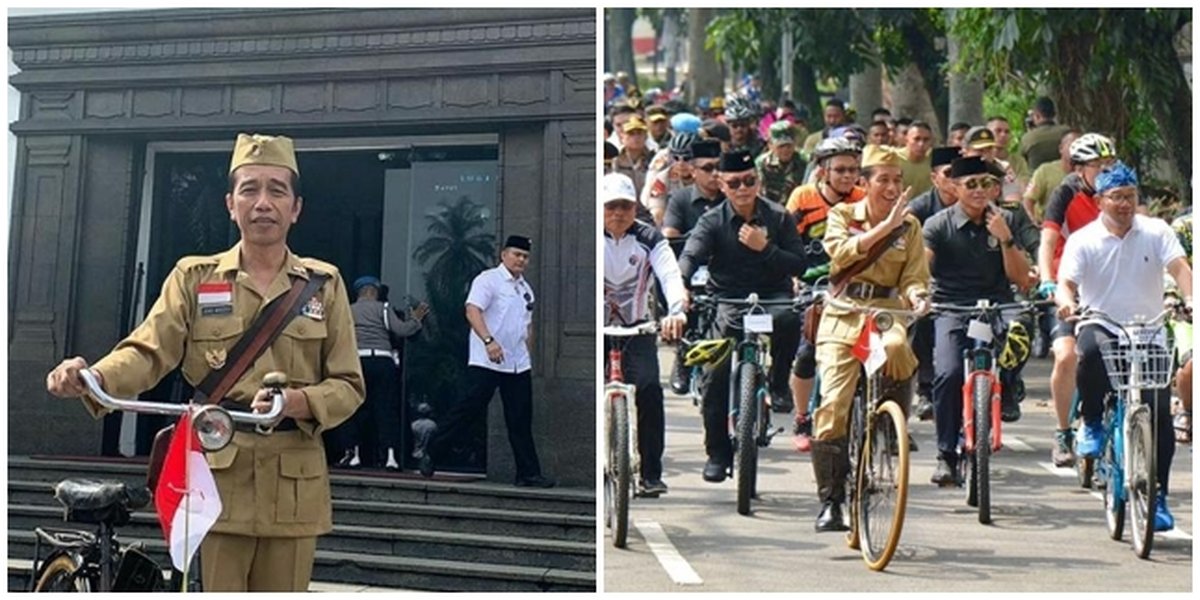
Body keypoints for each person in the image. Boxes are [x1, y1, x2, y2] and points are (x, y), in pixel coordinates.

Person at [44, 133, 365, 592]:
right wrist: (94, 376)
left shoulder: (323, 284)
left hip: (293, 485)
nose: (263, 202)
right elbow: (149, 350)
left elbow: (349, 384)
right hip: (213, 482)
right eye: (249, 189)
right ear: (230, 204)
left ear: (296, 208)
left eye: (277, 190)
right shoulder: (195, 277)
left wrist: (297, 401)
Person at [1055, 161, 1192, 531]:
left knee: (1160, 413)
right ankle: (1094, 423)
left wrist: (1192, 297)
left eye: (1130, 197)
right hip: (1103, 322)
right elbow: (1065, 283)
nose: (1124, 204)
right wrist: (1067, 300)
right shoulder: (1083, 239)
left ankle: (1158, 495)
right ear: (1100, 201)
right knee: (1092, 352)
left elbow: (1180, 268)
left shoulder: (1156, 231)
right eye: (1116, 197)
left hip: (1147, 329)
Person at [809, 144, 931, 531]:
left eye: (898, 180)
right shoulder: (843, 214)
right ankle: (832, 501)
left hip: (885, 314)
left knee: (897, 347)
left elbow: (913, 275)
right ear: (865, 183)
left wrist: (918, 296)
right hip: (844, 314)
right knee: (833, 406)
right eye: (884, 180)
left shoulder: (910, 226)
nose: (892, 187)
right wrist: (884, 227)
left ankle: (890, 424)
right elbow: (840, 254)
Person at [677, 149, 808, 483]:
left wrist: (765, 248)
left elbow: (799, 264)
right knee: (715, 376)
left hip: (773, 297)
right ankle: (717, 453)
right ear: (722, 185)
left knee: (792, 320)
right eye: (734, 183)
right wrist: (681, 286)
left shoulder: (778, 217)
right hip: (728, 301)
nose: (743, 188)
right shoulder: (712, 220)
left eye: (749, 181)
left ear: (758, 181)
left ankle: (779, 384)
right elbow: (691, 255)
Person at [923, 156, 1040, 485]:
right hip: (951, 306)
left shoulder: (1008, 219)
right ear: (955, 187)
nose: (979, 191)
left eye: (986, 183)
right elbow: (923, 268)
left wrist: (1005, 237)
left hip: (997, 304)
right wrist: (918, 292)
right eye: (970, 184)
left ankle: (1010, 384)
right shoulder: (937, 224)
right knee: (946, 375)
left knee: (1022, 328)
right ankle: (946, 454)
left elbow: (1019, 278)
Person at [421, 235, 554, 488]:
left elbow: (528, 325)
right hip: (487, 359)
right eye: (516, 254)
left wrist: (529, 354)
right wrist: (488, 340)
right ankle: (433, 450)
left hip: (517, 362)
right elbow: (472, 310)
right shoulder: (488, 280)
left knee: (520, 418)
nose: (521, 260)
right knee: (469, 408)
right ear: (504, 255)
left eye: (525, 256)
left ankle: (528, 473)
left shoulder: (525, 289)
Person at [603, 173, 688, 496]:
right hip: (598, 329)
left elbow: (669, 274)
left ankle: (651, 473)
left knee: (650, 389)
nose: (618, 213)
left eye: (625, 206)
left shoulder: (650, 238)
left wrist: (676, 310)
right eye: (611, 206)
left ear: (634, 207)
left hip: (637, 328)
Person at [1037, 132, 1118, 467]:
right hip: (1069, 285)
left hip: (1109, 285)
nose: (1103, 171)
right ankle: (1062, 432)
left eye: (1108, 164)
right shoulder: (1066, 192)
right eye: (1096, 166)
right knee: (1067, 356)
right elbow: (1047, 241)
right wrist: (1046, 279)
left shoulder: (1119, 193)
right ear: (1079, 168)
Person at [783, 137, 867, 450]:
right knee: (807, 352)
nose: (848, 176)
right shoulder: (803, 198)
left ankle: (879, 416)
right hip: (814, 286)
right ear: (823, 171)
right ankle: (803, 417)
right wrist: (794, 278)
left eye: (853, 170)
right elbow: (787, 243)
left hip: (857, 287)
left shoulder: (863, 198)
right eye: (841, 170)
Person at [337, 276, 428, 469]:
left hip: (356, 361)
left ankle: (352, 455)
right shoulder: (383, 308)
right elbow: (402, 330)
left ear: (359, 292)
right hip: (382, 360)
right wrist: (416, 319)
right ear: (374, 291)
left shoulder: (347, 310)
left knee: (353, 409)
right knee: (386, 410)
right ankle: (391, 458)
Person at [663, 138, 725, 394]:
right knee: (683, 298)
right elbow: (669, 236)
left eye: (718, 168)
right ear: (695, 170)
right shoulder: (680, 198)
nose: (714, 175)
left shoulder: (732, 197)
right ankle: (682, 358)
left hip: (724, 265)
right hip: (690, 264)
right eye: (708, 168)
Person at [906, 145, 962, 420]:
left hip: (972, 286)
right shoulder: (918, 209)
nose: (957, 180)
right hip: (928, 284)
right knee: (921, 321)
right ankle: (926, 389)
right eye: (950, 173)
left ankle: (1007, 387)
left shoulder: (981, 206)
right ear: (934, 178)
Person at [1023, 129, 1081, 222]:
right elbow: (1028, 200)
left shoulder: (1088, 172)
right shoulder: (1045, 171)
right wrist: (1032, 222)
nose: (1076, 150)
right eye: (1072, 145)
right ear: (1061, 148)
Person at [755, 121, 807, 206]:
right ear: (770, 145)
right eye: (781, 146)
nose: (785, 150)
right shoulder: (762, 163)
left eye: (788, 145)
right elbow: (759, 192)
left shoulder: (804, 160)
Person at [1019, 96, 1072, 172]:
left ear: (1037, 115)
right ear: (1054, 114)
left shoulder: (1027, 138)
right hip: (1064, 178)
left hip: (1036, 181)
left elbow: (1021, 164)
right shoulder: (1067, 132)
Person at [613, 116, 653, 199]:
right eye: (631, 133)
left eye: (639, 133)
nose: (636, 137)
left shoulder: (654, 158)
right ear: (622, 137)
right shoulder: (614, 159)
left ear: (646, 136)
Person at [899, 121, 935, 197]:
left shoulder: (935, 160)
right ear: (906, 140)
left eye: (926, 140)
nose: (921, 144)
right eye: (916, 139)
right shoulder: (894, 158)